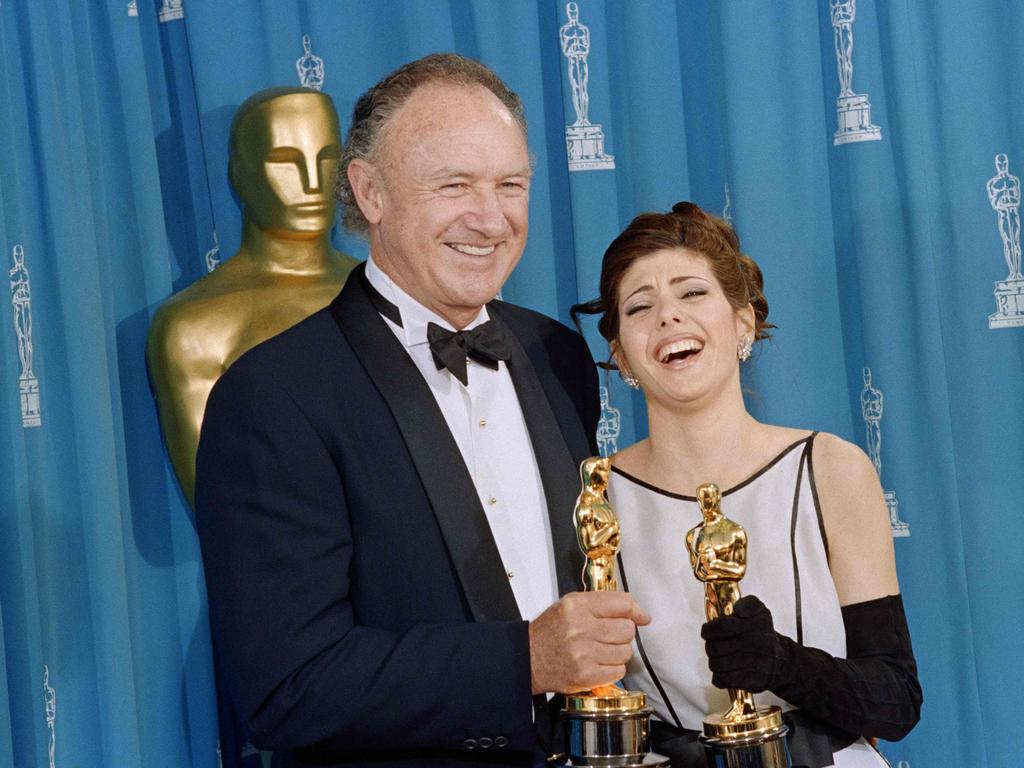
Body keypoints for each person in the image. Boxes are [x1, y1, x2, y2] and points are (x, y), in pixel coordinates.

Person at [194, 54, 649, 768]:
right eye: (454, 185)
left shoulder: (556, 354)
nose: (490, 217)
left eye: (510, 185)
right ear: (369, 192)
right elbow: (288, 688)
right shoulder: (275, 396)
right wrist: (523, 659)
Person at [572, 201, 922, 768]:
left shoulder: (829, 467)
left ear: (743, 321)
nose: (668, 317)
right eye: (641, 306)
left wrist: (781, 664)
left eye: (692, 293)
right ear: (621, 356)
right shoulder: (596, 497)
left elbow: (896, 700)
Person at [147, 86, 357, 507]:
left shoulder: (393, 291)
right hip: (289, 561)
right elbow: (223, 506)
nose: (313, 184)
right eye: (285, 161)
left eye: (327, 158)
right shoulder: (195, 326)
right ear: (239, 174)